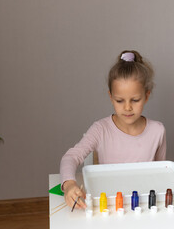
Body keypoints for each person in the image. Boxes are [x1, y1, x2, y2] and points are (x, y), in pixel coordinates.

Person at [60, 50, 166, 209]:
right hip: (108, 205)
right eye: (119, 100)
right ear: (111, 97)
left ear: (146, 96)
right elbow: (71, 157)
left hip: (142, 206)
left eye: (135, 100)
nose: (128, 107)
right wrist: (69, 185)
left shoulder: (158, 131)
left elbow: (161, 173)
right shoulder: (100, 129)